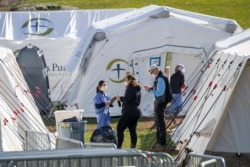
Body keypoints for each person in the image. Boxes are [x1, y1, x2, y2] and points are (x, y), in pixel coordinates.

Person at [144, 64, 172, 148]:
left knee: (160, 122)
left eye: (152, 71)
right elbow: (159, 89)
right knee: (159, 121)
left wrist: (149, 90)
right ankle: (159, 140)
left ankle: (162, 141)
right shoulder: (161, 76)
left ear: (156, 69)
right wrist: (151, 88)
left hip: (161, 102)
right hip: (161, 101)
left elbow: (160, 92)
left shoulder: (160, 78)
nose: (152, 73)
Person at [116, 74, 141, 149]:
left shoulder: (131, 88)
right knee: (132, 130)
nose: (125, 82)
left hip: (129, 112)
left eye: (126, 80)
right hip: (136, 112)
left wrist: (120, 98)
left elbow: (127, 99)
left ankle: (119, 147)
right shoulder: (137, 89)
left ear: (129, 80)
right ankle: (133, 147)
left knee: (120, 128)